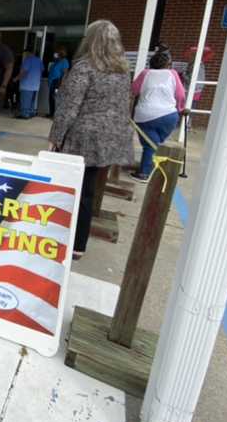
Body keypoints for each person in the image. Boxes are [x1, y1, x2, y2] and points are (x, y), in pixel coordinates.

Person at [49, 20, 133, 260]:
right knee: (88, 192)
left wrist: (55, 137)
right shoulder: (122, 70)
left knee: (70, 190)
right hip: (109, 137)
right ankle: (78, 245)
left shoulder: (84, 67)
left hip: (83, 137)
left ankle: (64, 238)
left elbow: (69, 107)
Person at [130, 50, 186, 182]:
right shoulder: (173, 74)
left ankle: (144, 173)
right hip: (169, 116)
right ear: (168, 64)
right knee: (156, 144)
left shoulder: (145, 73)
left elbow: (133, 90)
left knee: (150, 145)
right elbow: (180, 95)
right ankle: (151, 166)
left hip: (146, 116)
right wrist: (180, 108)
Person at [15, 48, 44, 119]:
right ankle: (31, 113)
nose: (24, 55)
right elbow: (42, 70)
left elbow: (23, 72)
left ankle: (24, 114)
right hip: (35, 85)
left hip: (27, 85)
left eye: (25, 53)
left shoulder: (27, 60)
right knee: (32, 101)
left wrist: (16, 78)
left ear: (28, 53)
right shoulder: (39, 61)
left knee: (25, 100)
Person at [47, 46, 70, 118]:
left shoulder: (64, 61)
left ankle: (55, 115)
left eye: (56, 52)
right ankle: (51, 113)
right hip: (52, 82)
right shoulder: (56, 61)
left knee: (55, 98)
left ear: (60, 53)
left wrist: (61, 84)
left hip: (57, 82)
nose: (55, 54)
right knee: (51, 98)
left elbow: (65, 73)